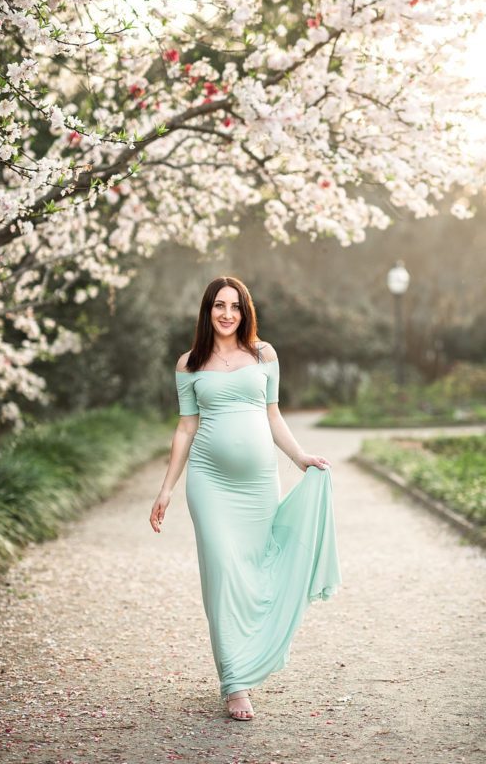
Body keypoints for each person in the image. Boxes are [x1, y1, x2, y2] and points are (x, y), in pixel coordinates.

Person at [149, 275, 341, 722]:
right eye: (219, 305)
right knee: (222, 575)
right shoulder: (189, 364)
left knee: (253, 572)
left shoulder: (264, 355)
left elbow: (273, 415)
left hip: (258, 485)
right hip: (209, 483)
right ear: (207, 311)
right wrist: (166, 488)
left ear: (245, 311)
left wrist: (300, 458)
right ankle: (235, 683)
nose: (227, 314)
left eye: (235, 306)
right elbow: (185, 428)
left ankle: (252, 656)